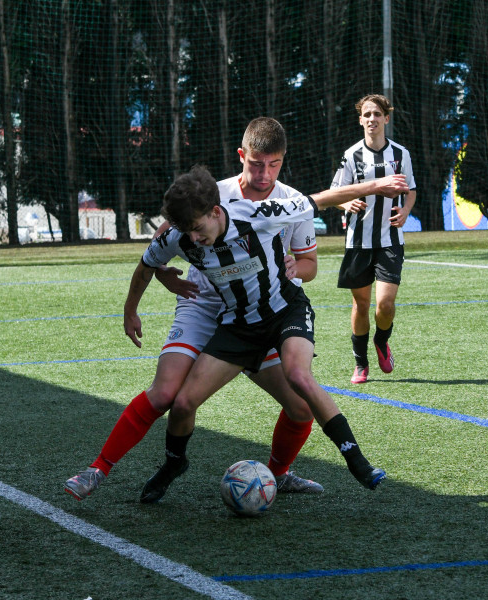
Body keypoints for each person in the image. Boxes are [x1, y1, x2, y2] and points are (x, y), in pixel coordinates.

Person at [64, 118, 324, 502]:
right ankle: (98, 468)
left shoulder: (292, 202)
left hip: (260, 313)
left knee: (301, 406)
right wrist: (165, 278)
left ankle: (279, 474)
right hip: (201, 306)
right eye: (256, 164)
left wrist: (292, 268)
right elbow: (161, 245)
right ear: (242, 156)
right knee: (167, 394)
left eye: (274, 164)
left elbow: (310, 265)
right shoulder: (209, 195)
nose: (264, 174)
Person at [133, 164, 408, 502]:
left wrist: (377, 184)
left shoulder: (258, 213)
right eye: (186, 231)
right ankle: (173, 464)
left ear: (216, 212)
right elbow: (147, 264)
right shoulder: (180, 237)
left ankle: (356, 461)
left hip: (285, 311)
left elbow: (321, 199)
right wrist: (131, 309)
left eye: (197, 228)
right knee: (184, 401)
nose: (193, 239)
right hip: (239, 325)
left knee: (298, 376)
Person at [332, 94, 417, 385]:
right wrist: (346, 204)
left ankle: (382, 341)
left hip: (390, 239)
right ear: (360, 120)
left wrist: (405, 210)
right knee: (361, 305)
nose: (372, 119)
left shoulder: (400, 154)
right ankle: (361, 363)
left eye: (377, 114)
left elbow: (411, 189)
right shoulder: (351, 155)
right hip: (358, 241)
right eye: (367, 114)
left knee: (386, 304)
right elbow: (336, 194)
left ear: (386, 119)